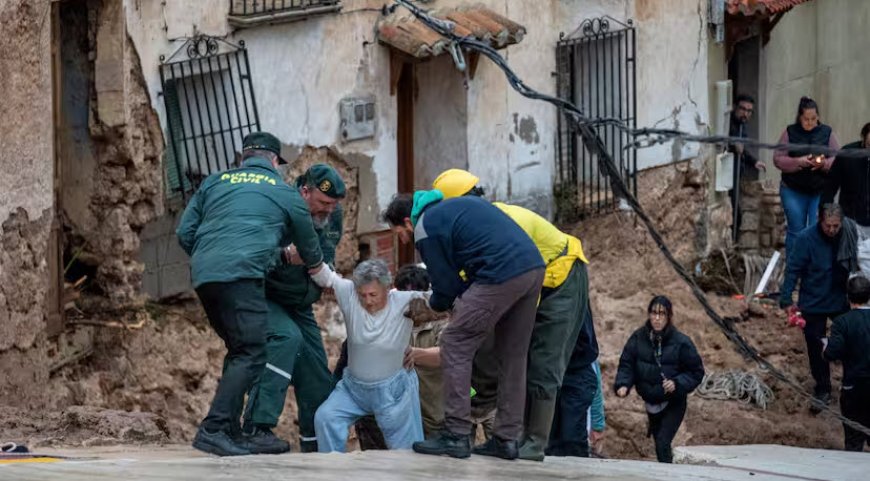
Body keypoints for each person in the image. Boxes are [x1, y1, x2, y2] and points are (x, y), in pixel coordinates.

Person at [176, 131, 324, 456]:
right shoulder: (285, 193)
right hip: (241, 276)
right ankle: (214, 429)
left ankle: (231, 431)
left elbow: (184, 232)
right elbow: (310, 249)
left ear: (244, 156)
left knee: (240, 348)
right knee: (254, 350)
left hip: (204, 275)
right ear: (274, 161)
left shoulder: (214, 182)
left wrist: (209, 258)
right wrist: (317, 271)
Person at [433, 168, 591, 461]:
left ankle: (534, 442)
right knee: (496, 350)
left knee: (543, 359)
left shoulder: (504, 220)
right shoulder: (474, 230)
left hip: (562, 279)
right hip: (527, 287)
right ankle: (498, 430)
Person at [383, 191, 545, 460]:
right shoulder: (454, 209)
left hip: (500, 272)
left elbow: (445, 289)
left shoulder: (425, 226)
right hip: (532, 268)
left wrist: (432, 307)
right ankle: (506, 439)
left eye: (398, 233)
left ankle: (456, 434)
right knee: (513, 354)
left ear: (407, 222)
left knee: (454, 342)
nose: (402, 239)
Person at [241, 164, 346, 454]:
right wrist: (286, 257)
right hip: (268, 296)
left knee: (317, 375)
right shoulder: (277, 208)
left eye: (333, 204)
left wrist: (329, 274)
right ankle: (255, 428)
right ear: (304, 191)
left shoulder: (333, 214)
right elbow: (255, 257)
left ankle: (316, 452)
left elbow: (329, 250)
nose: (329, 210)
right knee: (286, 339)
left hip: (301, 303)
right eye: (323, 203)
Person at [310, 259, 426, 452]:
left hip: (392, 393)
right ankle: (331, 471)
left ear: (387, 288)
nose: (368, 300)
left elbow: (443, 301)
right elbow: (323, 275)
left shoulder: (407, 302)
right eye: (362, 294)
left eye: (373, 294)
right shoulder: (349, 294)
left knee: (406, 452)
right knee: (326, 417)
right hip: (353, 389)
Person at [614, 296, 704, 463]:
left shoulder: (682, 342)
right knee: (660, 446)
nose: (657, 318)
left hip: (673, 402)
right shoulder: (638, 337)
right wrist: (623, 384)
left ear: (669, 317)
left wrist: (677, 383)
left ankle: (667, 475)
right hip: (651, 403)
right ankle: (668, 470)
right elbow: (627, 363)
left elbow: (696, 372)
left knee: (663, 442)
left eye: (662, 314)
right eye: (653, 313)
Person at [780, 203, 850, 412]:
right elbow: (793, 269)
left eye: (835, 226)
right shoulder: (805, 239)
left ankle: (851, 386)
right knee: (815, 346)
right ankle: (823, 387)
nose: (832, 230)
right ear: (820, 221)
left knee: (850, 342)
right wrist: (786, 298)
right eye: (828, 226)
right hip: (813, 300)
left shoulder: (848, 234)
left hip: (840, 297)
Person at [773, 97, 840, 254]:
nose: (810, 123)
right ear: (799, 117)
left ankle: (812, 269)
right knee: (796, 230)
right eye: (806, 119)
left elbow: (838, 158)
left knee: (815, 229)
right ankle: (794, 268)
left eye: (813, 119)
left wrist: (823, 164)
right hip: (793, 190)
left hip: (819, 190)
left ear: (818, 116)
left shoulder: (827, 132)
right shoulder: (790, 132)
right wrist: (798, 162)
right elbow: (777, 158)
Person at [824, 275, 870, 452]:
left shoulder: (842, 322)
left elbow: (831, 353)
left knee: (853, 440)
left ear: (848, 297)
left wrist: (825, 348)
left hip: (854, 387)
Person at [547, 305, 600, 457]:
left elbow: (587, 350)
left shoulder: (573, 296)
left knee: (571, 442)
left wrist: (598, 422)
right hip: (553, 375)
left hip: (576, 374)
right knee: (550, 442)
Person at [822, 122, 870, 273]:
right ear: (863, 139)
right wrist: (825, 214)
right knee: (848, 265)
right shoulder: (847, 154)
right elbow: (830, 186)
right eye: (869, 144)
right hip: (850, 219)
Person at [729, 94, 766, 241]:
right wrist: (732, 144)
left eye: (749, 111)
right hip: (727, 176)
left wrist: (754, 162)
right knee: (734, 215)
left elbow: (742, 149)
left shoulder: (741, 125)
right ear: (734, 107)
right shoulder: (729, 124)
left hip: (737, 175)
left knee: (737, 215)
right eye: (743, 109)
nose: (745, 114)